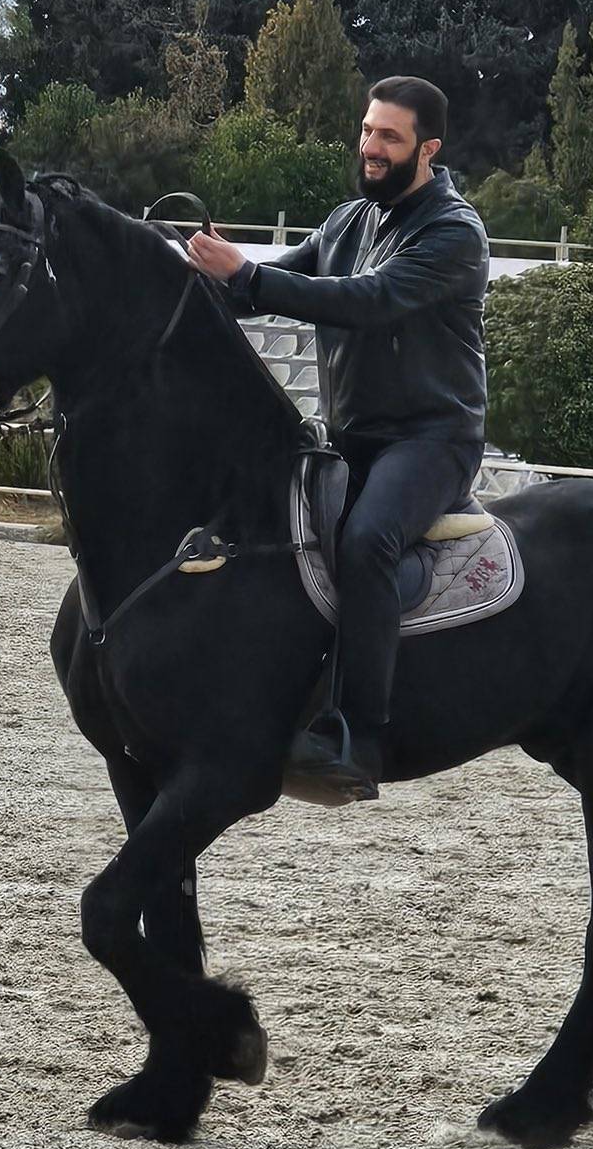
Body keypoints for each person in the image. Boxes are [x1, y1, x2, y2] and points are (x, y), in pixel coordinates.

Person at [186, 76, 490, 801]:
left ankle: (359, 732)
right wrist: (197, 280)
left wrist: (249, 275)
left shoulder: (452, 232)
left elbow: (367, 302)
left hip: (430, 440)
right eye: (367, 131)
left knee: (366, 540)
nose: (372, 147)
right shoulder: (348, 218)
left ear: (429, 148)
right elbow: (277, 282)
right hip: (348, 435)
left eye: (389, 136)